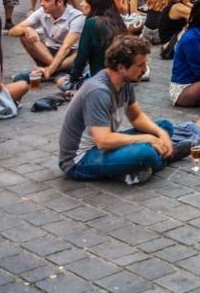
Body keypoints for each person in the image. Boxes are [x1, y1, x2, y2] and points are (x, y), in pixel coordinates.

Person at [59, 35, 188, 184]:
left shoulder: (126, 81)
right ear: (121, 68)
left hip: (102, 147)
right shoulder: (98, 91)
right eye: (140, 65)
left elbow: (136, 117)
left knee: (164, 126)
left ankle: (135, 167)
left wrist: (160, 133)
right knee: (146, 153)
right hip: (80, 160)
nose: (144, 70)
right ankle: (162, 160)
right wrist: (147, 138)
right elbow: (103, 140)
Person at [10, 0, 86, 77]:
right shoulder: (42, 11)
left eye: (46, 0)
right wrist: (27, 29)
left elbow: (66, 47)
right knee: (25, 36)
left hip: (69, 55)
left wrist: (50, 70)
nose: (41, 3)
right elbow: (12, 31)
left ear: (60, 2)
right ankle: (54, 71)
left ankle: (50, 70)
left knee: (81, 52)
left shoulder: (76, 17)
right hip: (48, 53)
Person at [61, 0, 126, 87]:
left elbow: (82, 56)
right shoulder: (118, 21)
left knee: (61, 82)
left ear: (93, 5)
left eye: (85, 1)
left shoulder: (92, 23)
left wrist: (73, 78)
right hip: (121, 78)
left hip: (102, 80)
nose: (82, 4)